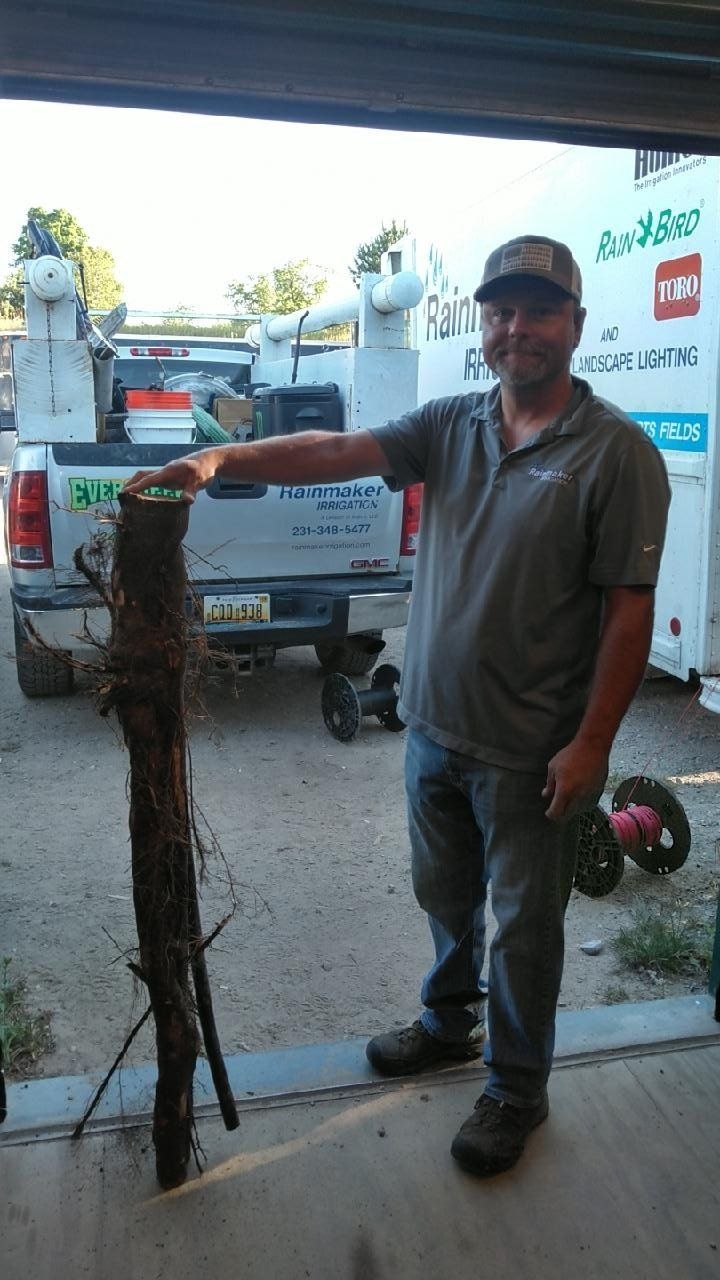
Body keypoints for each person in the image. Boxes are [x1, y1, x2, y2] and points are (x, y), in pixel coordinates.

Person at [124, 235, 670, 1178]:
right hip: (433, 727)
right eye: (502, 311)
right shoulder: (452, 423)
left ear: (575, 326)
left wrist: (591, 744)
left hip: (533, 749)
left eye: (540, 311)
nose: (517, 329)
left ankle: (516, 1088)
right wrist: (220, 459)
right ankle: (449, 1023)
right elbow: (336, 448)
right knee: (444, 896)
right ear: (484, 327)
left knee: (525, 925)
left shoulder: (617, 454)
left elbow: (629, 612)